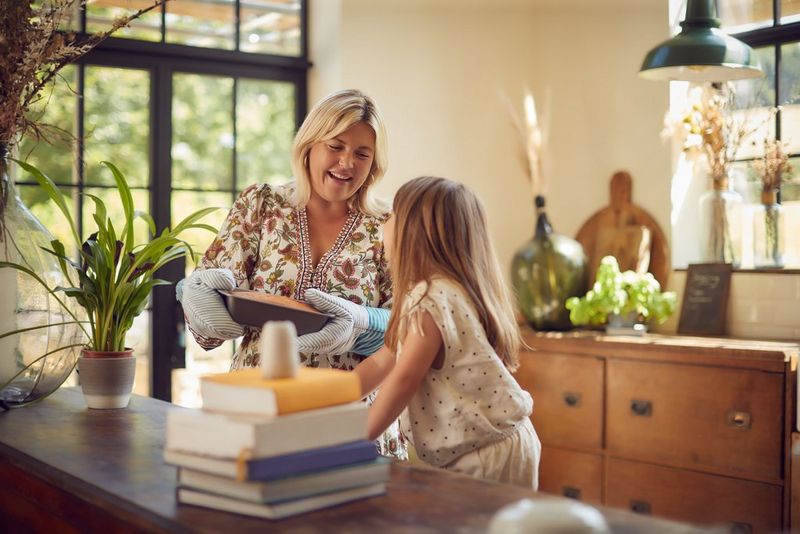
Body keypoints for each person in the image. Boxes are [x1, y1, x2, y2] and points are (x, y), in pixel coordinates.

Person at [177, 89, 405, 460]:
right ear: (310, 145)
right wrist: (194, 299)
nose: (347, 163)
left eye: (362, 154)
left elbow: (408, 327)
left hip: (350, 411)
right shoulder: (261, 204)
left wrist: (361, 323)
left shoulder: (388, 224)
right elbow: (208, 313)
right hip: (258, 403)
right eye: (336, 146)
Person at [353, 176, 541, 488]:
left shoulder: (431, 298)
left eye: (393, 215)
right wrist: (325, 399)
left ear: (414, 233)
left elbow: (403, 379)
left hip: (487, 453)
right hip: (498, 444)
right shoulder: (442, 293)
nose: (385, 224)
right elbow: (382, 362)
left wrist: (354, 442)